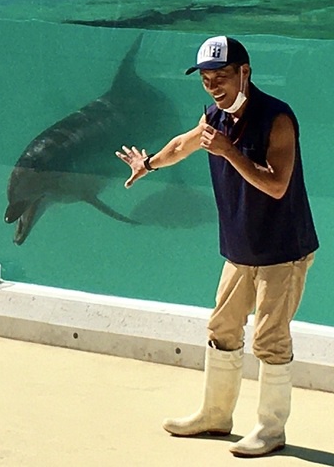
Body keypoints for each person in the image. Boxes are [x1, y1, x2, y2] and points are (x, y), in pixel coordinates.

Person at [115, 35, 319, 458]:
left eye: (221, 76)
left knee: (270, 339)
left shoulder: (277, 118)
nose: (213, 86)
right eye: (206, 79)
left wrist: (229, 153)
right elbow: (182, 144)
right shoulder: (213, 117)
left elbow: (277, 185)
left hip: (284, 249)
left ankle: (270, 428)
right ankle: (215, 415)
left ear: (245, 72)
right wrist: (149, 163)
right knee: (222, 331)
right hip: (240, 248)